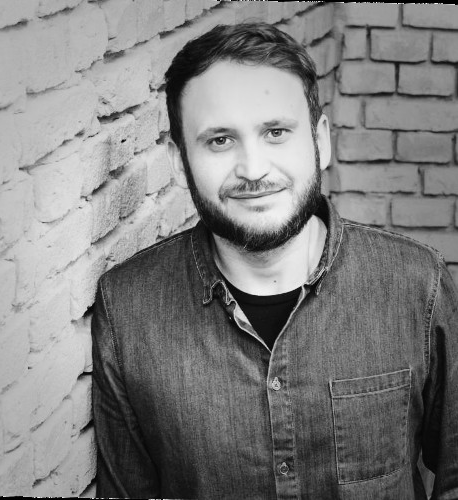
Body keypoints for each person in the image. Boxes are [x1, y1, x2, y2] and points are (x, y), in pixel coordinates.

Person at [91, 22, 458, 499]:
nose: (254, 169)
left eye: (276, 132)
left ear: (321, 142)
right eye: (220, 140)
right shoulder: (128, 308)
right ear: (180, 162)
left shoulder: (416, 285)